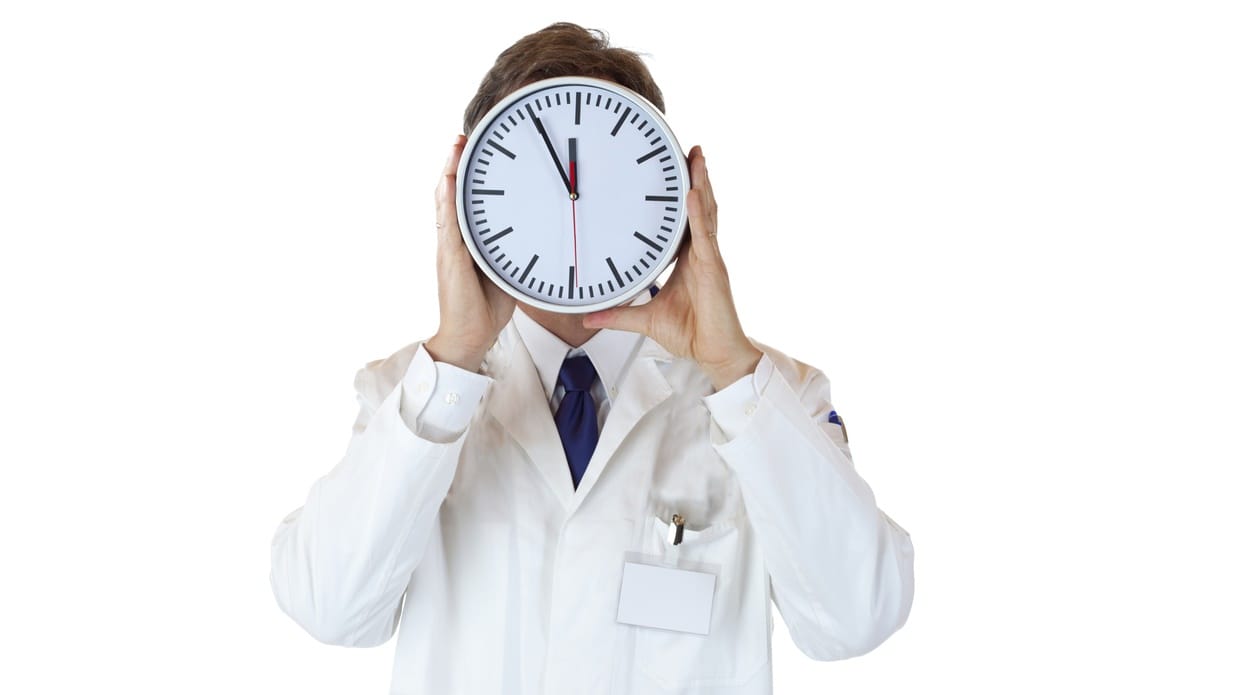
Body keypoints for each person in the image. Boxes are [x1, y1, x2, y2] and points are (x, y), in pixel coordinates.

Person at [270, 22, 914, 694]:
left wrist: (731, 369)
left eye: (607, 182)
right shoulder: (413, 393)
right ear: (466, 198)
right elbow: (329, 607)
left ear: (674, 195)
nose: (573, 200)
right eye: (526, 172)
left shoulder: (765, 396)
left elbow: (856, 619)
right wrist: (455, 358)